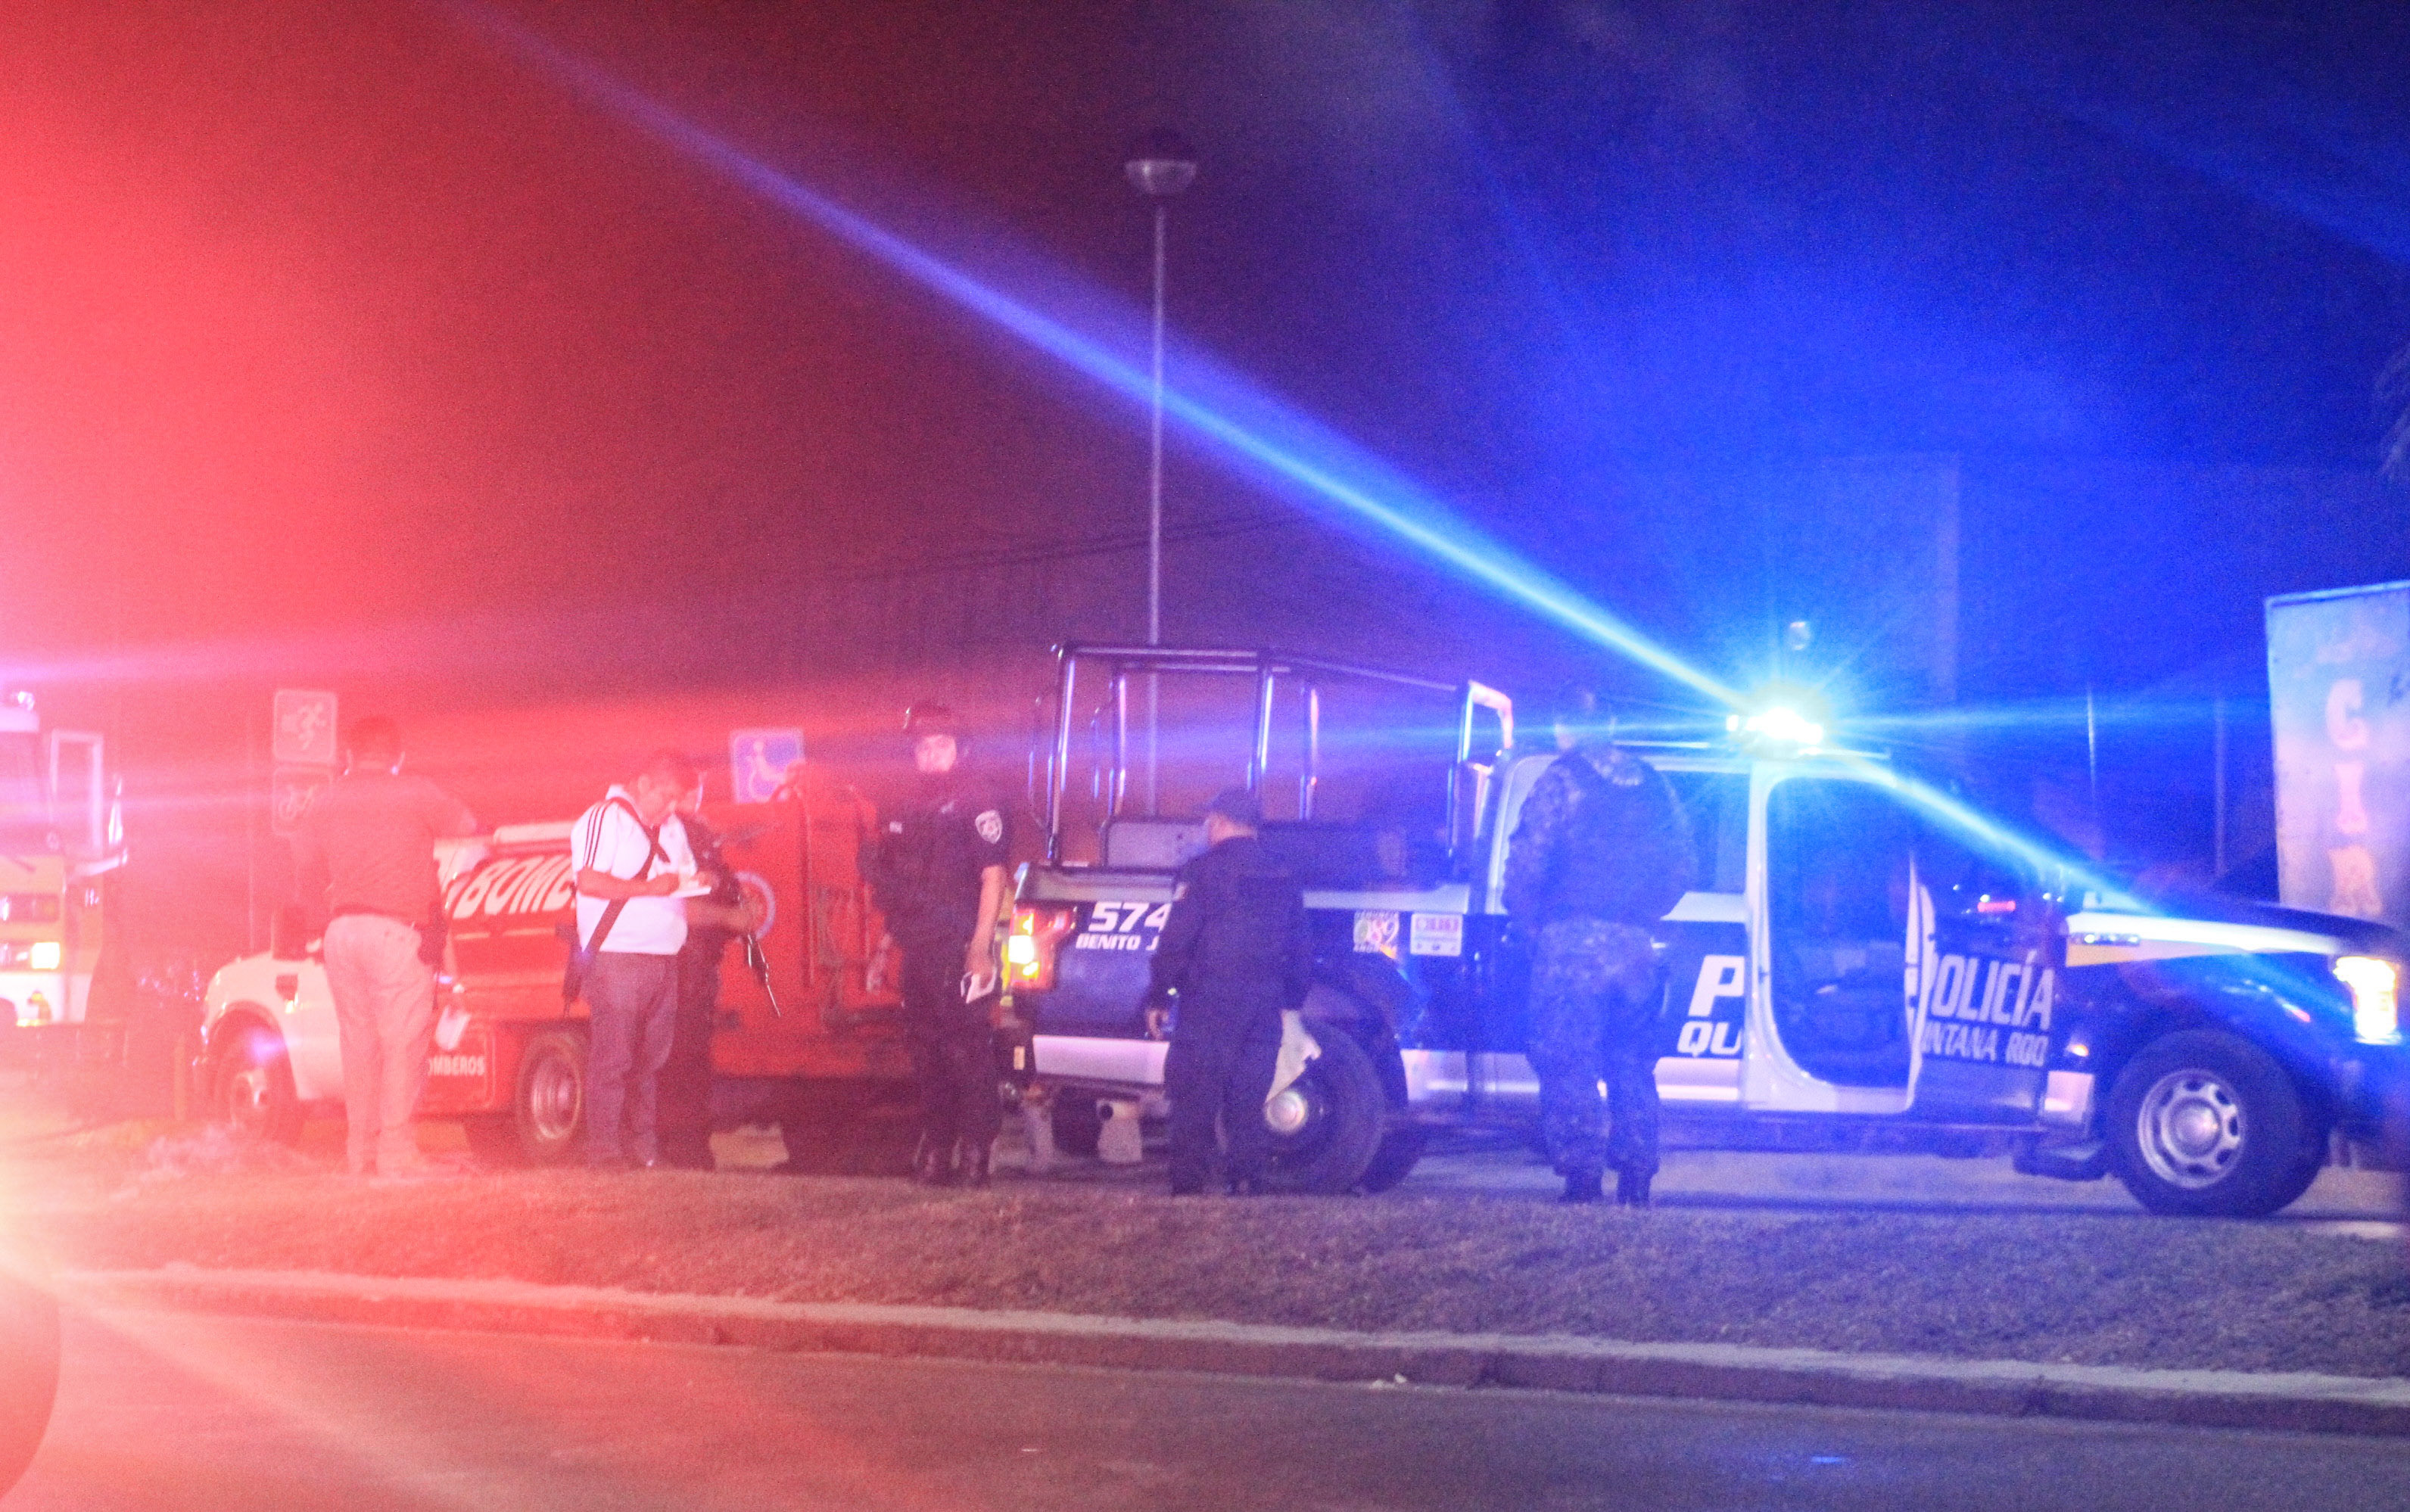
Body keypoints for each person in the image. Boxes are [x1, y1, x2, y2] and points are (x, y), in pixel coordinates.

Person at [1503, 688, 1694, 1206]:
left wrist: (1533, 922)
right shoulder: (1654, 784)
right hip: (1635, 947)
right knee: (1631, 1061)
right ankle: (1637, 1178)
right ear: (1611, 725)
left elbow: (1527, 862)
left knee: (1569, 1060)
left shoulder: (1561, 779)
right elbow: (1682, 865)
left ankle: (1583, 1179)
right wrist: (1642, 914)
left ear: (1563, 727)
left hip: (1571, 944)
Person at [290, 717, 478, 1178]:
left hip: (342, 931)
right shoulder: (414, 791)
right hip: (396, 931)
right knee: (402, 1044)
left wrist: (317, 923)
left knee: (358, 1046)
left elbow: (303, 864)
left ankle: (361, 1154)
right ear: (398, 756)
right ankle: (397, 1153)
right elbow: (468, 824)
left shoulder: (325, 799)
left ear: (348, 755)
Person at [865, 706, 1010, 1187]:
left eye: (942, 746)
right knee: (927, 1055)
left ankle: (977, 1151)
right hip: (919, 949)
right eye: (924, 747)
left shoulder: (978, 800)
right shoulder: (906, 806)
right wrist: (885, 945)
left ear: (959, 750)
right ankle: (939, 1146)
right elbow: (902, 888)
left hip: (960, 945)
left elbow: (993, 878)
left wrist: (980, 948)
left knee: (966, 1052)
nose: (931, 755)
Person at [1143, 788, 1312, 1197]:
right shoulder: (1283, 874)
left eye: (1208, 820)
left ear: (1219, 822)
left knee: (1194, 1094)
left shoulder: (1202, 872)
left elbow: (1176, 940)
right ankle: (1246, 1180)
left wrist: (1159, 995)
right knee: (1249, 1096)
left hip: (1210, 999)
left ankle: (1190, 1184)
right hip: (1264, 1002)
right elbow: (1300, 946)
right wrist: (1290, 1001)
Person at [570, 749, 701, 1171]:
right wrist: (649, 889)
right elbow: (588, 880)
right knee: (614, 1059)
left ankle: (643, 1150)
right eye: (667, 795)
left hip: (664, 956)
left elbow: (682, 878)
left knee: (651, 1061)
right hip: (618, 957)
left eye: (678, 799)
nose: (672, 807)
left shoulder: (672, 827)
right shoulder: (604, 817)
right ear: (643, 783)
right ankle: (604, 1151)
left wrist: (700, 881)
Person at [654, 790, 762, 1171]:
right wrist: (730, 918)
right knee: (681, 1059)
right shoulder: (670, 833)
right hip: (681, 962)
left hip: (696, 964)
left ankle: (687, 1149)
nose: (696, 797)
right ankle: (682, 1150)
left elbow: (720, 888)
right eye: (690, 788)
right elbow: (677, 906)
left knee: (689, 1059)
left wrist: (734, 903)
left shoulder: (694, 832)